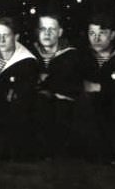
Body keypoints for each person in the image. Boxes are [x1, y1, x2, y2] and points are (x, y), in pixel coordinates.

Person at [77, 14, 115, 164]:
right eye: (92, 33)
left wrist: (100, 87)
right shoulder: (81, 56)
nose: (96, 39)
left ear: (112, 35)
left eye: (102, 33)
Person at [30, 13, 82, 159]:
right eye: (43, 29)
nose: (46, 33)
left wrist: (46, 85)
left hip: (63, 106)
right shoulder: (29, 52)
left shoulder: (71, 55)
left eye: (52, 29)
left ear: (60, 32)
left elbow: (70, 85)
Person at [0, 17, 38, 161]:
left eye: (6, 35)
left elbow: (23, 90)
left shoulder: (27, 61)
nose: (1, 40)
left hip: (10, 106)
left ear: (16, 37)